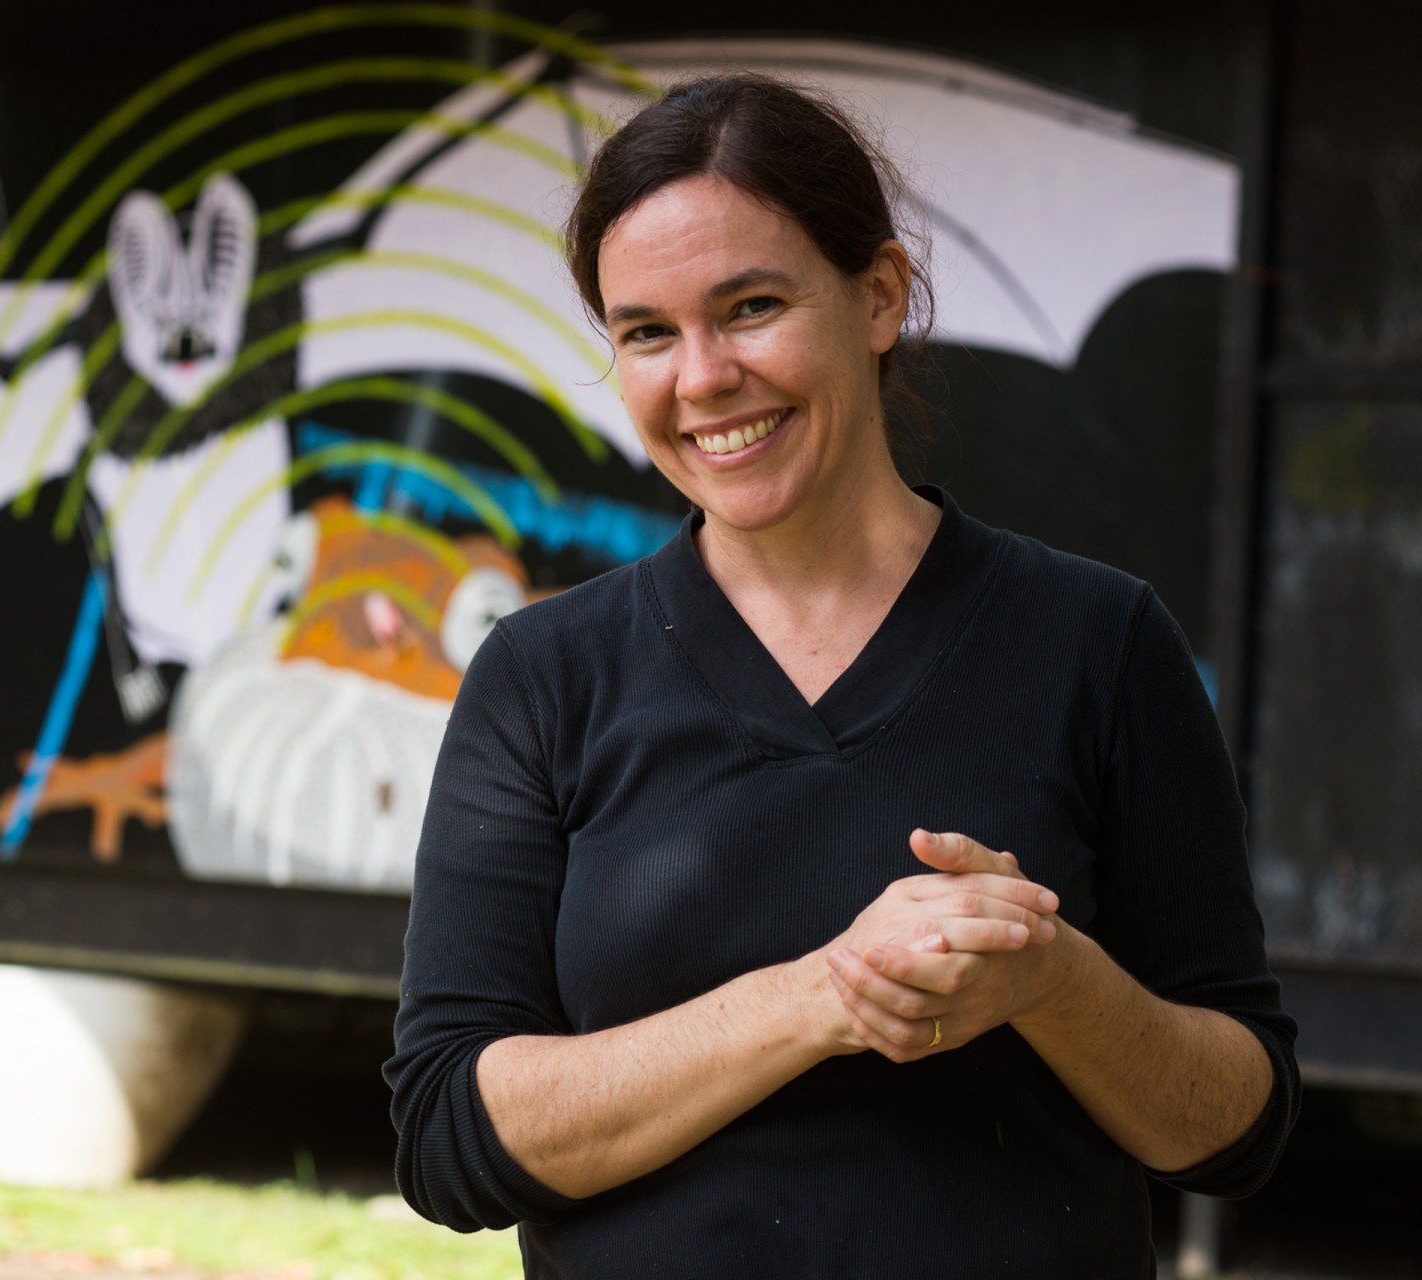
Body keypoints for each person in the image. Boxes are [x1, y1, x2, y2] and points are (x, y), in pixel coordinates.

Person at [385, 73, 1298, 1278]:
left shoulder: (1097, 640)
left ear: (879, 296)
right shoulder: (542, 675)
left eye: (750, 305)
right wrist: (819, 998)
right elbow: (449, 1136)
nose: (701, 377)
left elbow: (1238, 1126)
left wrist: (1055, 977)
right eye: (646, 331)